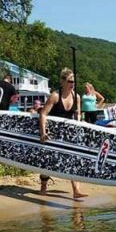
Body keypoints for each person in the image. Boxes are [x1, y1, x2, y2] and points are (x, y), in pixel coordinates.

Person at [38, 68, 87, 199]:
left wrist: (78, 119)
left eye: (74, 81)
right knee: (48, 161)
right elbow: (43, 114)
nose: (73, 84)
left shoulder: (76, 97)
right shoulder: (55, 96)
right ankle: (43, 185)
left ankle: (76, 190)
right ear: (63, 81)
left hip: (68, 133)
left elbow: (78, 117)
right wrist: (43, 133)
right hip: (53, 132)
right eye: (70, 81)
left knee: (72, 159)